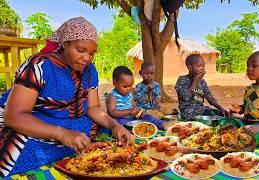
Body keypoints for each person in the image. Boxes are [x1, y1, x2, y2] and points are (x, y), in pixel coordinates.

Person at [0, 17, 133, 177]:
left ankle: (75, 148)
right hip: (33, 119)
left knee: (100, 127)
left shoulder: (90, 71)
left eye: (91, 53)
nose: (87, 58)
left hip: (67, 123)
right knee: (14, 142)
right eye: (81, 50)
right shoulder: (39, 65)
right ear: (65, 44)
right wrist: (61, 134)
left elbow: (93, 108)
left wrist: (115, 126)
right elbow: (14, 116)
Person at [106, 66, 175, 130]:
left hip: (131, 119)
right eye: (125, 86)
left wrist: (138, 111)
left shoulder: (129, 94)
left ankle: (162, 124)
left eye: (131, 86)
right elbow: (112, 112)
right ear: (115, 83)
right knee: (114, 123)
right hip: (120, 120)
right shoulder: (112, 96)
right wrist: (128, 112)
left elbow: (134, 106)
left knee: (148, 116)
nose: (129, 89)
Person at [175, 54, 229, 121]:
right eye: (199, 66)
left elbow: (210, 98)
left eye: (203, 65)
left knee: (220, 114)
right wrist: (196, 81)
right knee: (212, 115)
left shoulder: (202, 82)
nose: (202, 68)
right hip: (188, 112)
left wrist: (221, 109)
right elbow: (186, 97)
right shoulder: (182, 80)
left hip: (201, 110)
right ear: (190, 68)